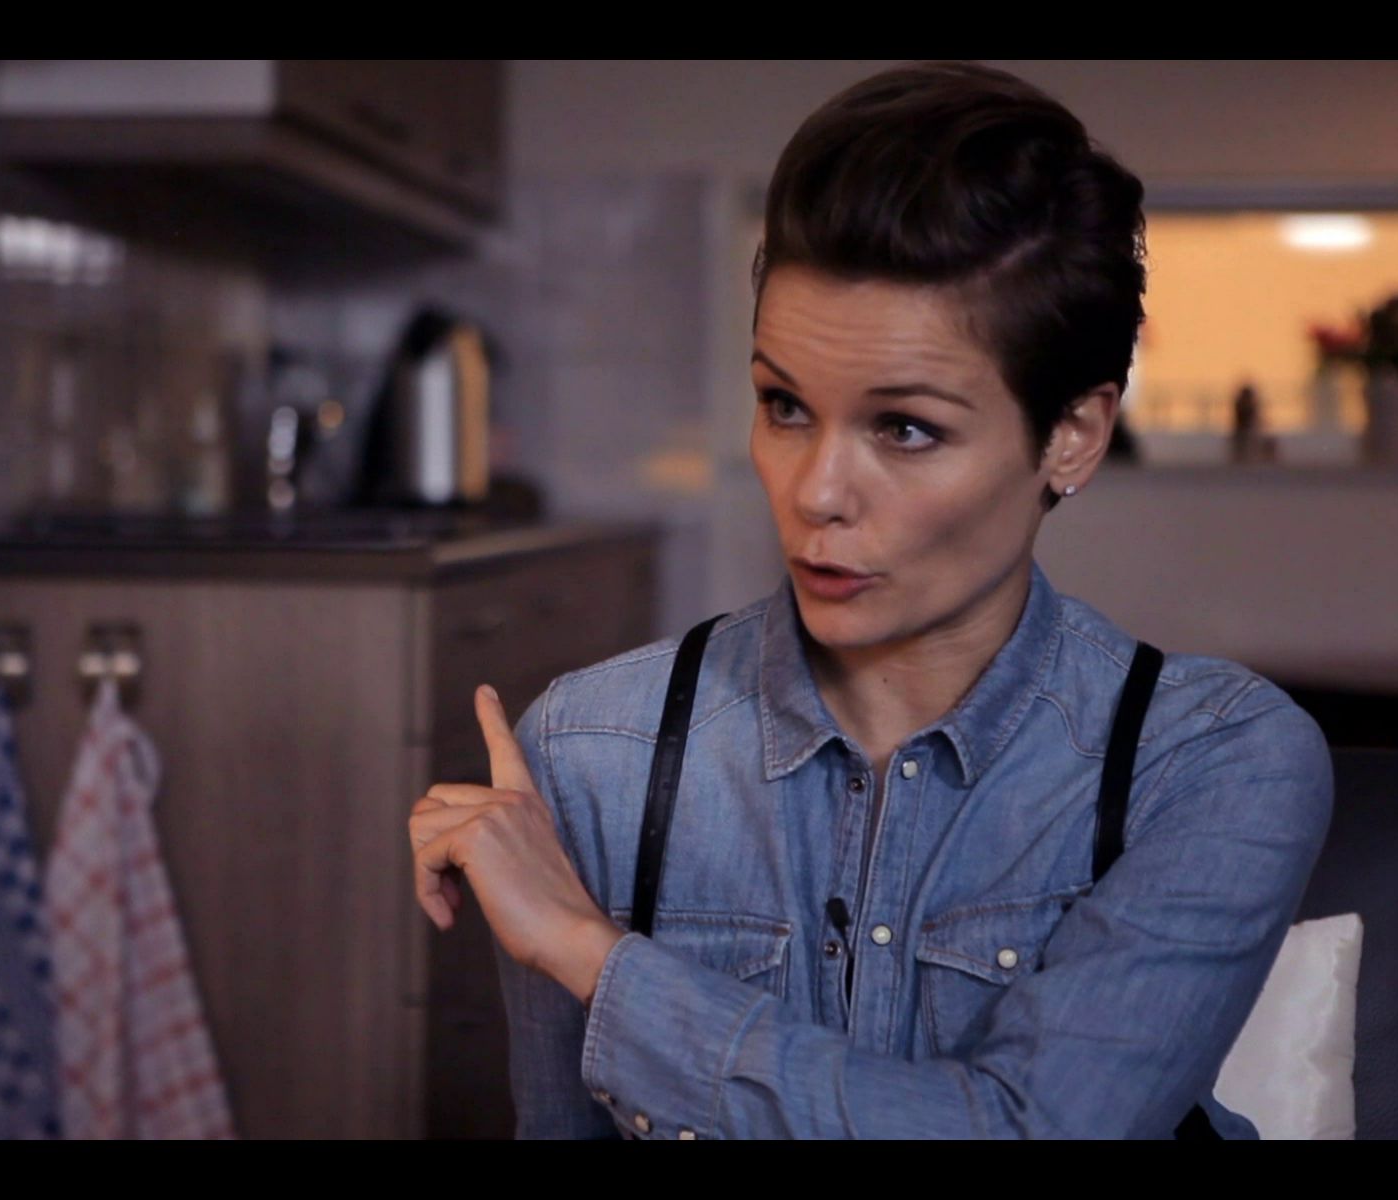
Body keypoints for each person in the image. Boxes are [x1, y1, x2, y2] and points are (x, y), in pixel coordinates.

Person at [406, 61, 1334, 1139]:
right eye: (784, 405)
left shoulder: (1213, 760)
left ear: (1072, 437)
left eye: (905, 428)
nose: (816, 493)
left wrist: (590, 953)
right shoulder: (588, 755)